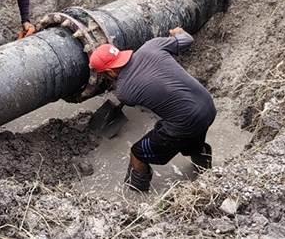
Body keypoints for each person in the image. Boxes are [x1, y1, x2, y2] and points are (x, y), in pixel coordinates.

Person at [88, 27, 216, 192]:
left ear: (111, 72)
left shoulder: (125, 92)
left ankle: (136, 196)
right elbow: (187, 40)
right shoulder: (152, 46)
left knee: (137, 153)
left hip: (184, 122)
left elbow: (139, 91)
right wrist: (177, 32)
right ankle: (209, 176)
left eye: (104, 75)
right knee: (193, 143)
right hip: (207, 107)